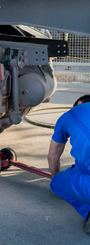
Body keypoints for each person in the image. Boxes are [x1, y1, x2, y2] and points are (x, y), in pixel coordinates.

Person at [48, 95, 90, 234]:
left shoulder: (69, 115)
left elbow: (53, 156)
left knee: (57, 184)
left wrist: (55, 176)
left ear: (79, 103)